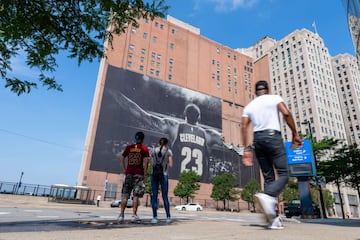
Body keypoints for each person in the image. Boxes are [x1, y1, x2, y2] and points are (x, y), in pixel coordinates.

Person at [109, 90, 228, 182]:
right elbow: (230, 142)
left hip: (176, 179)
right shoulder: (209, 134)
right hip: (200, 183)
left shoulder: (174, 126)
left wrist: (117, 94)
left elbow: (142, 115)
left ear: (184, 114)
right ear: (199, 117)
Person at [241, 80, 303, 230]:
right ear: (267, 89)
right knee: (284, 174)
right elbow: (286, 113)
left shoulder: (249, 106)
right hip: (273, 138)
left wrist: (246, 149)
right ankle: (267, 196)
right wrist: (295, 133)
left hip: (258, 140)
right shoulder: (274, 98)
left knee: (268, 177)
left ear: (255, 91)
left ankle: (273, 220)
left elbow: (244, 126)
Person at [117, 131, 149, 223]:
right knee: (136, 196)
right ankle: (134, 215)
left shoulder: (129, 147)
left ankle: (121, 215)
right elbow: (146, 163)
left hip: (129, 173)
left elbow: (122, 159)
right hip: (139, 174)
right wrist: (145, 175)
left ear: (135, 138)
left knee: (125, 195)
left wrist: (125, 169)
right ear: (143, 139)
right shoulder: (144, 148)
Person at [150, 137, 173, 224]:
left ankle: (154, 217)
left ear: (159, 143)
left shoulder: (153, 150)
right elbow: (171, 165)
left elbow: (152, 163)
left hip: (154, 175)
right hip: (164, 175)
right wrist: (165, 163)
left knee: (154, 196)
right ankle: (168, 217)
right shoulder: (168, 152)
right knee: (165, 196)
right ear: (166, 144)